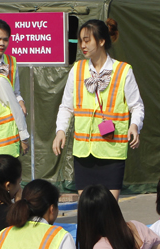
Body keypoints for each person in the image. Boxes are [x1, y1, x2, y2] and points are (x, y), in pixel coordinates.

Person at [52, 19, 145, 198]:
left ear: (101, 41)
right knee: (86, 209)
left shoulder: (123, 70)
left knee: (109, 208)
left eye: (87, 40)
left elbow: (137, 106)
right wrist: (60, 130)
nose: (83, 45)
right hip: (83, 153)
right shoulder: (77, 70)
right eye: (81, 41)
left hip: (111, 151)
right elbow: (66, 106)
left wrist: (135, 126)